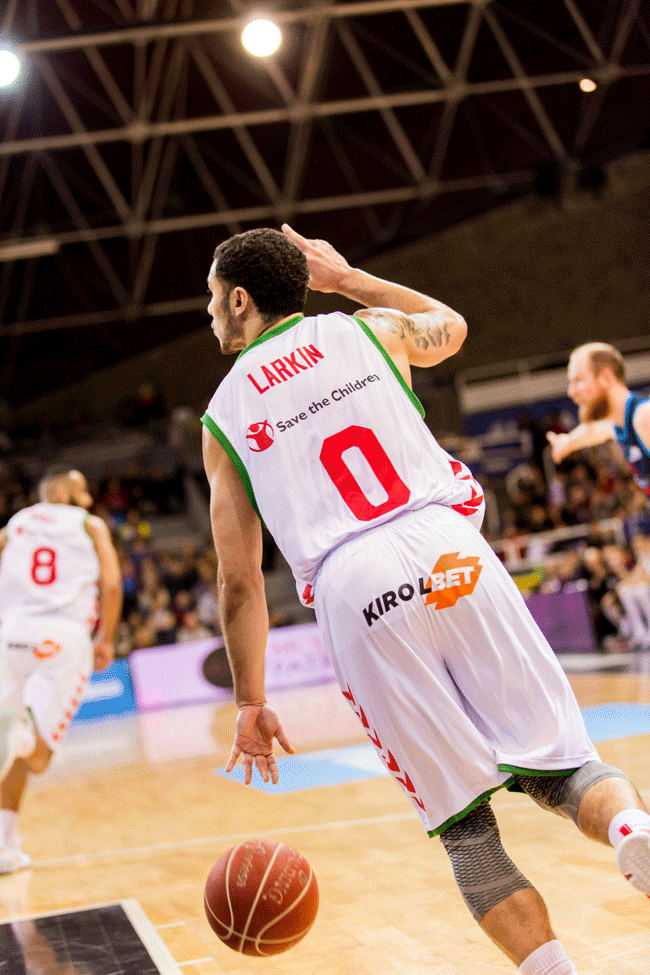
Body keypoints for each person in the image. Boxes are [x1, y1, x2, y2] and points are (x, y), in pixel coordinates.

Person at [201, 226, 650, 975]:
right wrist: (345, 280)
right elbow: (453, 324)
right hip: (450, 544)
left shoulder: (224, 415)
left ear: (240, 299)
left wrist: (251, 697)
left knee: (467, 827)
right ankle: (632, 824)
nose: (209, 311)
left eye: (212, 297)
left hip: (356, 585)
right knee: (563, 766)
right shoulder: (371, 330)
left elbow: (239, 579)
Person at [0, 467, 122, 874]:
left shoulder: (17, 522)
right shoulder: (90, 525)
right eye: (83, 490)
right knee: (34, 755)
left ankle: (4, 846)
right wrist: (106, 637)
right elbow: (112, 584)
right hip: (62, 638)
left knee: (15, 740)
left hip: (11, 635)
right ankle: (16, 737)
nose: (88, 499)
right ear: (63, 491)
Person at [547, 342, 650, 497]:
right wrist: (567, 441)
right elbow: (593, 431)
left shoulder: (644, 417)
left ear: (606, 378)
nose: (571, 392)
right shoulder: (619, 423)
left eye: (578, 380)